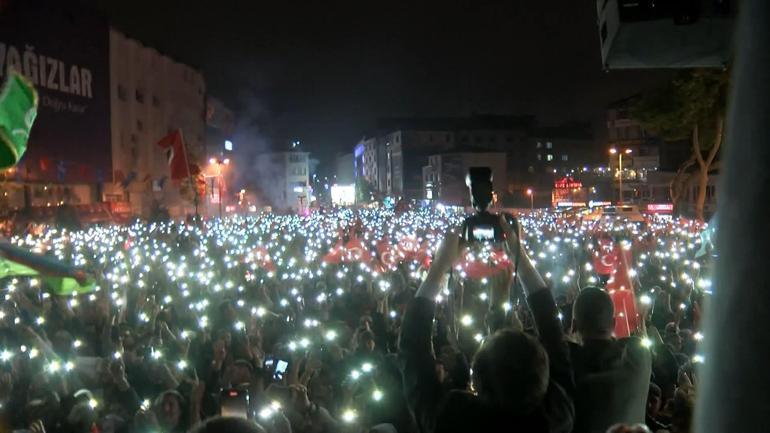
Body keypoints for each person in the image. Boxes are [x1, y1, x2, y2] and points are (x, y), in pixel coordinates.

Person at [399, 216, 574, 433]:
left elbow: (412, 349)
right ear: (543, 376)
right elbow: (554, 336)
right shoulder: (558, 415)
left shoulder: (450, 419)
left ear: (476, 379)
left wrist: (439, 266)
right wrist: (522, 260)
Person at [569, 287, 652, 433]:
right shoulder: (640, 355)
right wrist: (640, 320)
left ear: (574, 326)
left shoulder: (570, 365)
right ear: (614, 323)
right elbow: (631, 342)